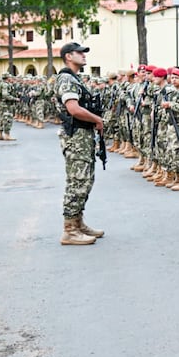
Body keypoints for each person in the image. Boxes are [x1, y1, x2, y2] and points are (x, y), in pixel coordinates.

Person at [54, 42, 105, 245]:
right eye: (80, 52)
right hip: (75, 136)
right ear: (68, 56)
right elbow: (73, 109)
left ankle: (78, 222)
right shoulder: (66, 79)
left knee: (85, 180)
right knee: (77, 182)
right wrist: (97, 119)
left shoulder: (75, 78)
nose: (84, 55)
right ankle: (69, 230)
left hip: (82, 136)